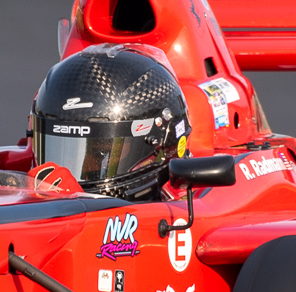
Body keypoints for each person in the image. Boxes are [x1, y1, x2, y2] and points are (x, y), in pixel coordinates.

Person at [30, 43, 191, 200]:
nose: (79, 170)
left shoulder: (195, 214)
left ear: (159, 144)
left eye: (102, 153)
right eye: (60, 150)